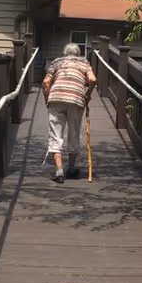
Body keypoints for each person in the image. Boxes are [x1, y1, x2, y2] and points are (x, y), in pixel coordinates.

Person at [43, 43, 97, 183]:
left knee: (55, 134)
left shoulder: (57, 62)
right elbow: (92, 79)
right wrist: (88, 94)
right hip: (76, 100)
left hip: (56, 98)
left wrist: (47, 99)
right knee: (74, 133)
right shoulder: (84, 63)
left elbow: (46, 82)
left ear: (64, 53)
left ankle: (59, 171)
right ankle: (71, 169)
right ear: (78, 54)